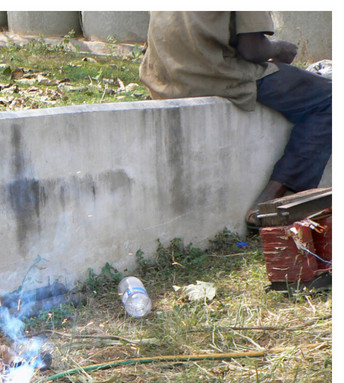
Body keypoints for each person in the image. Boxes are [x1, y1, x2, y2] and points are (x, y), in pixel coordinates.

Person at [139, 11, 331, 228]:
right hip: (217, 76)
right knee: (330, 98)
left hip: (163, 79)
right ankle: (274, 199)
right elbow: (252, 49)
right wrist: (279, 48)